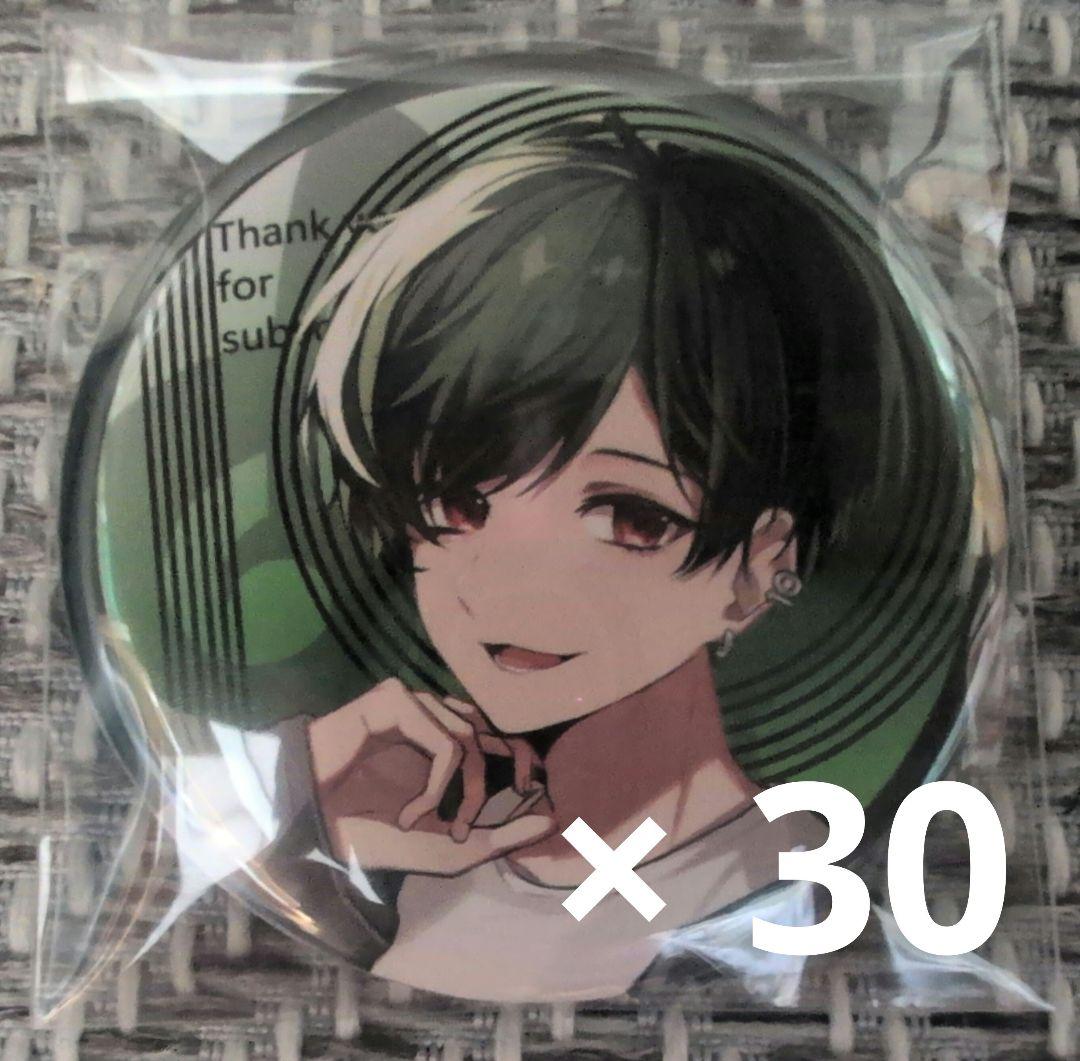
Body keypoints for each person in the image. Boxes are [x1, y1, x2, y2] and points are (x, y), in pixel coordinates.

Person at [275, 114, 893, 1000]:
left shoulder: (784, 888)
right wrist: (298, 795)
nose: (507, 580)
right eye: (457, 503)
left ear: (759, 565)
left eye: (628, 517)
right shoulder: (405, 857)